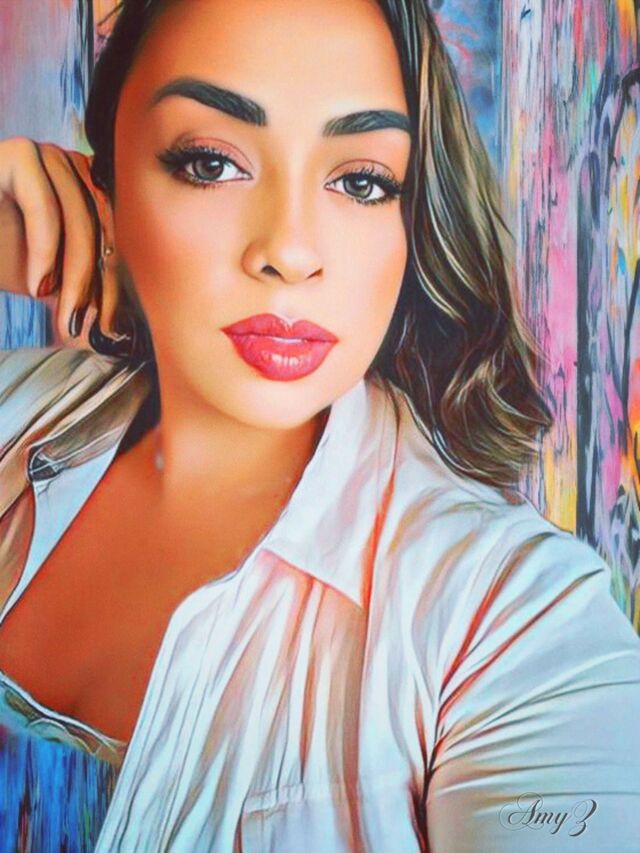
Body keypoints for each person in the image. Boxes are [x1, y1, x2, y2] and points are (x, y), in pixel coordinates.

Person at [0, 0, 638, 850]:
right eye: (211, 163)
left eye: (361, 181)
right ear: (107, 188)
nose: (291, 251)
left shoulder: (514, 621)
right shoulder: (15, 409)